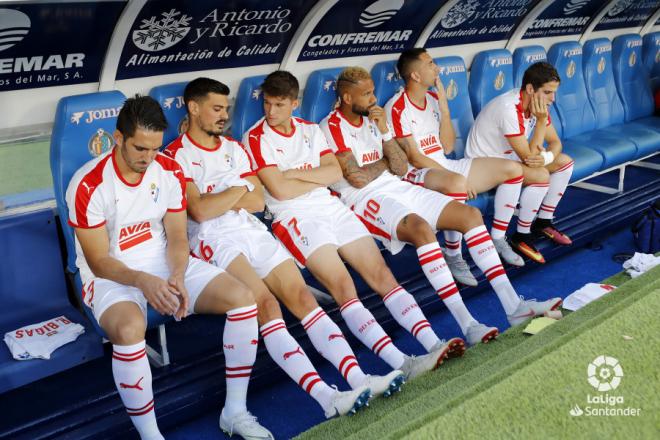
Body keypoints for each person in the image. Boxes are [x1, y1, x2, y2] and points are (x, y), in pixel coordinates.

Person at [165, 77, 379, 422]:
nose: (224, 115)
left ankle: (359, 379)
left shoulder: (234, 148)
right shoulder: (175, 155)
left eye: (226, 108)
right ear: (193, 108)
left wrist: (227, 194)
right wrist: (236, 191)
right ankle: (326, 397)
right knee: (265, 303)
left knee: (303, 297)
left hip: (249, 228)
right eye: (216, 108)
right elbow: (200, 211)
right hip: (212, 237)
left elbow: (255, 200)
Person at [66, 96, 264, 440]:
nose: (149, 157)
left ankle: (235, 411)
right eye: (140, 148)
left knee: (244, 298)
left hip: (162, 259)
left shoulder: (168, 169)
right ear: (118, 138)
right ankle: (151, 435)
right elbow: (98, 261)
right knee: (128, 330)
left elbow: (175, 236)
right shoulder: (88, 184)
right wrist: (144, 282)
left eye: (156, 148)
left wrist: (175, 275)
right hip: (113, 273)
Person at [321, 67, 562, 345]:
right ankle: (469, 324)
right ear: (348, 97)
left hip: (395, 185)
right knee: (423, 230)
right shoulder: (332, 126)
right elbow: (357, 178)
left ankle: (514, 307)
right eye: (366, 94)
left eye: (374, 91)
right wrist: (385, 163)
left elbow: (399, 167)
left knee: (470, 215)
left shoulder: (375, 120)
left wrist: (385, 134)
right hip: (362, 199)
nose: (374, 99)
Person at [245, 70, 464, 376]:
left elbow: (334, 173)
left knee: (380, 274)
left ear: (295, 103)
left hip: (330, 206)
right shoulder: (256, 137)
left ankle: (432, 343)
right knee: (344, 286)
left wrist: (294, 174)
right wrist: (310, 177)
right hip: (294, 217)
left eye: (279, 105)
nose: (270, 111)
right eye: (267, 104)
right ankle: (402, 363)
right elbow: (279, 191)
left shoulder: (309, 130)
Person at [385, 48, 526, 286]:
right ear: (416, 76)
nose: (436, 68)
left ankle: (499, 237)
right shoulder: (397, 107)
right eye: (430, 64)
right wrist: (454, 177)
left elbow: (448, 147)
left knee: (513, 170)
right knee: (457, 183)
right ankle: (453, 254)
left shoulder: (432, 101)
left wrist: (444, 106)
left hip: (445, 165)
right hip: (416, 174)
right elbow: (415, 158)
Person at [466, 61, 574, 262]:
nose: (553, 99)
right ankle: (520, 235)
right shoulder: (508, 107)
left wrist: (545, 157)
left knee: (564, 162)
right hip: (483, 165)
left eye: (554, 92)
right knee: (541, 175)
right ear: (530, 89)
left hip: (510, 161)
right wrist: (541, 124)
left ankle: (542, 222)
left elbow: (556, 143)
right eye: (548, 92)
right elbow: (528, 157)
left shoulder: (537, 103)